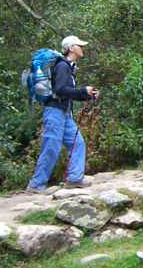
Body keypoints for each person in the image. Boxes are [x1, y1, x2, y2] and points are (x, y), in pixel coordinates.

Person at [26, 36, 99, 193]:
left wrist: (88, 95)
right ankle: (35, 185)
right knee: (51, 148)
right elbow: (60, 89)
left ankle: (74, 178)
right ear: (71, 48)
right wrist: (82, 91)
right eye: (80, 45)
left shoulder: (68, 67)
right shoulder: (62, 66)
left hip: (63, 114)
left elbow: (67, 93)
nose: (83, 48)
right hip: (54, 112)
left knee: (77, 143)